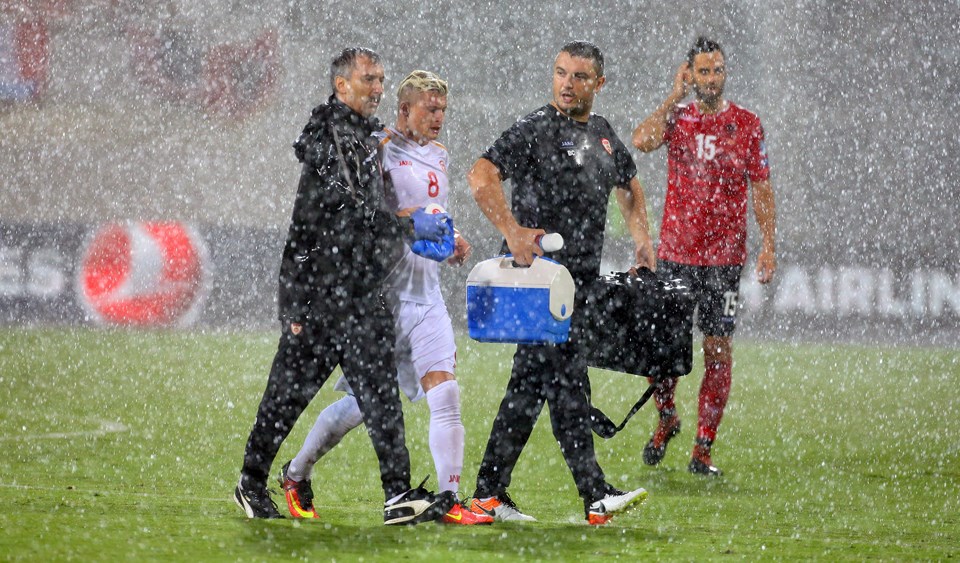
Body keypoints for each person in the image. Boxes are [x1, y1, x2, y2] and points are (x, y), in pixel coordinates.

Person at [233, 48, 456, 525]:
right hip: (319, 296)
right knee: (286, 398)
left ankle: (397, 495)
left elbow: (363, 216)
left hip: (360, 293)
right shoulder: (330, 134)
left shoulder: (363, 135)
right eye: (368, 79)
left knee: (381, 401)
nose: (378, 88)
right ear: (341, 86)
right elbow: (351, 214)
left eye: (380, 79)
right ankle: (251, 484)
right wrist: (411, 225)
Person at [277, 70, 493, 525]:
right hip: (382, 300)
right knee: (361, 406)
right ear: (404, 109)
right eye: (429, 109)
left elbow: (434, 216)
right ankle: (296, 472)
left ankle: (450, 501)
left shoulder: (441, 155)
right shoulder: (377, 148)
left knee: (446, 391)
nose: (438, 117)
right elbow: (366, 213)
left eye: (443, 110)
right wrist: (404, 217)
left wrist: (450, 241)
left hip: (427, 296)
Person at [465, 41, 656, 526]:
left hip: (579, 286)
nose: (567, 84)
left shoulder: (604, 135)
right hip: (540, 284)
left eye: (579, 76)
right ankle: (594, 495)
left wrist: (642, 240)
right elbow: (481, 173)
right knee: (568, 382)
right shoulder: (536, 128)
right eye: (560, 73)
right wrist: (511, 231)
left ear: (599, 84)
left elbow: (629, 186)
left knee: (530, 388)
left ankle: (489, 493)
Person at [631, 37, 777, 476]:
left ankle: (703, 448)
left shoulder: (748, 125)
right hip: (676, 254)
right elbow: (640, 141)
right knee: (663, 350)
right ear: (689, 74)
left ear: (724, 74)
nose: (711, 79)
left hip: (724, 260)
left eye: (717, 71)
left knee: (717, 349)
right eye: (703, 71)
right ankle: (666, 418)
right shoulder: (677, 119)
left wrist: (769, 243)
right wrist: (672, 97)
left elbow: (762, 186)